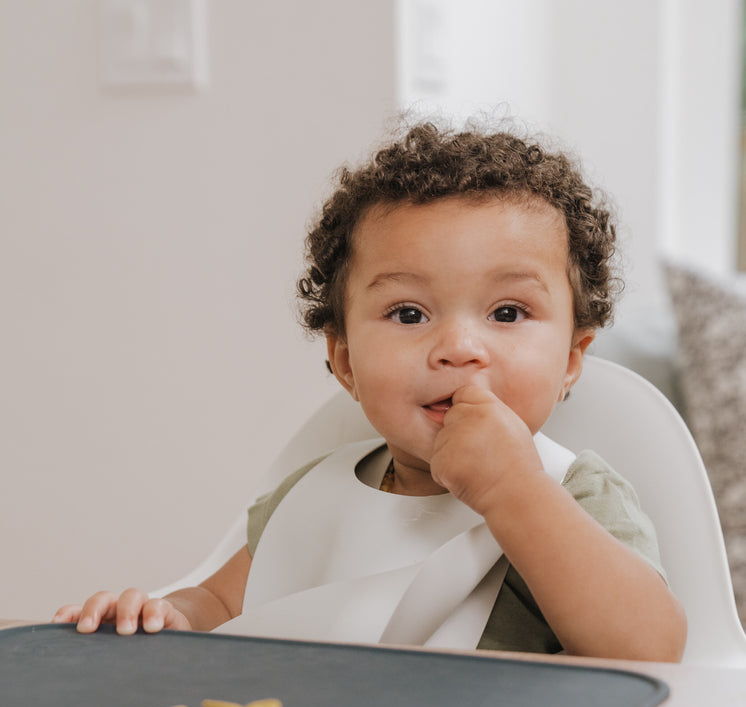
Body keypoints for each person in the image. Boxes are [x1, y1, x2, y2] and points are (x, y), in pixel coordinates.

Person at [52, 121, 687, 661]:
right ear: (346, 359)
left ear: (573, 358)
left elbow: (651, 650)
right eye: (409, 314)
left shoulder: (574, 495)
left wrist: (513, 491)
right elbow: (222, 601)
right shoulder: (310, 496)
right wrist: (168, 617)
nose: (459, 347)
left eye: (508, 312)